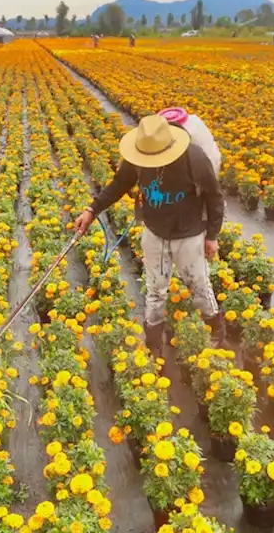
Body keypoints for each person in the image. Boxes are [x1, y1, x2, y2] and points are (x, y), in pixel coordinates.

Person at [73, 114, 225, 355]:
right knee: (155, 289)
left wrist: (212, 236)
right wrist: (92, 210)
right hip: (154, 231)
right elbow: (119, 184)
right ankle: (154, 345)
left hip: (188, 233)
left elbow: (215, 197)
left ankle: (216, 330)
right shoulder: (139, 156)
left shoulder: (194, 158)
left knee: (198, 284)